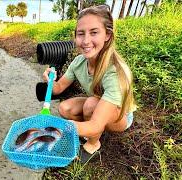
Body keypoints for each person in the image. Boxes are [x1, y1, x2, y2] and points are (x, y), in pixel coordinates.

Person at [42, 5, 136, 163]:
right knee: (64, 108)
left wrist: (57, 127)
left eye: (94, 32)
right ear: (75, 37)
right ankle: (85, 131)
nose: (85, 41)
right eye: (81, 34)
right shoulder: (79, 62)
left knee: (91, 106)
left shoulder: (115, 72)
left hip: (122, 115)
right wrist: (50, 79)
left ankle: (94, 143)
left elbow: (95, 124)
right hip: (99, 102)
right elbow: (58, 88)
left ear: (107, 35)